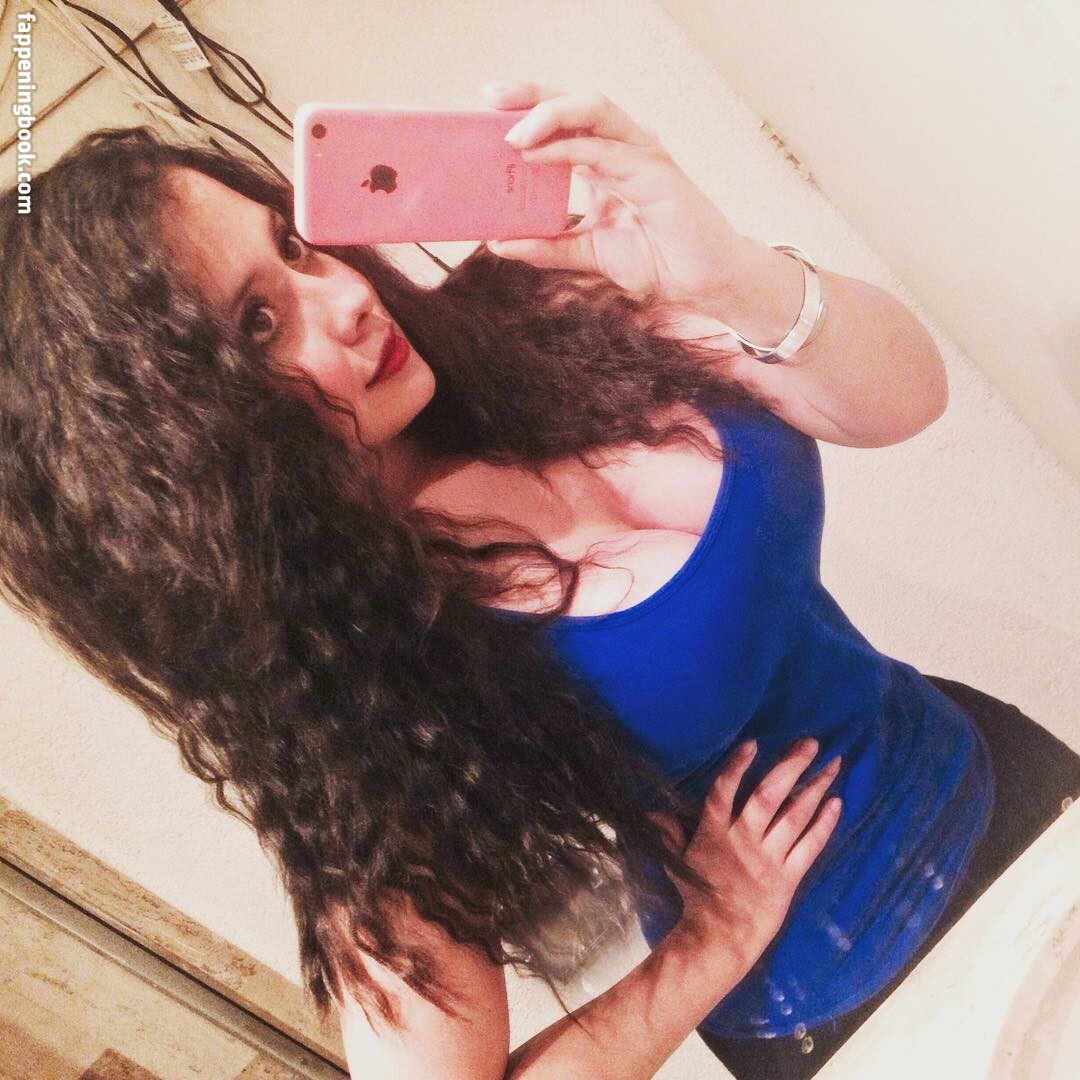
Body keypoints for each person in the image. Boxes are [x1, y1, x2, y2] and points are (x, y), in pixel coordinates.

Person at [0, 79, 1076, 1079]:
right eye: (259, 324)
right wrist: (711, 942)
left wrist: (725, 274)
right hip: (871, 1005)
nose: (346, 296)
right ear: (179, 455)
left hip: (1003, 775)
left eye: (292, 244)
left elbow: (907, 398)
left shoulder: (528, 322)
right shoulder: (370, 691)